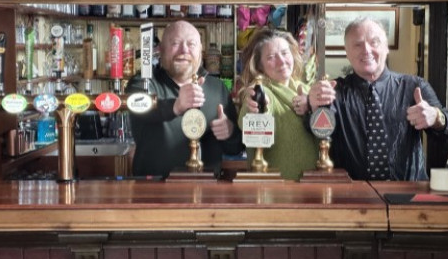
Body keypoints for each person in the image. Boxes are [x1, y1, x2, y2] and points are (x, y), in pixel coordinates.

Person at [308, 16, 448, 181]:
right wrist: (312, 105)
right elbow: (319, 134)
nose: (366, 50)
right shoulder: (334, 91)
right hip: (353, 194)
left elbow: (447, 131)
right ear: (347, 52)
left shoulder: (414, 86)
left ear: (386, 48)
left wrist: (436, 117)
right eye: (358, 45)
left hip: (408, 193)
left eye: (374, 42)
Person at [128, 20, 242, 176]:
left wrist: (229, 133)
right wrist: (175, 106)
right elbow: (138, 104)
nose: (184, 50)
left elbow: (235, 148)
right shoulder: (144, 82)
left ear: (201, 50)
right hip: (154, 191)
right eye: (175, 43)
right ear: (161, 50)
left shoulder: (217, 88)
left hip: (206, 191)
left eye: (191, 44)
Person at [237, 28, 318, 180]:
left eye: (285, 53)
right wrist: (256, 105)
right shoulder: (262, 90)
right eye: (271, 57)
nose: (281, 61)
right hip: (276, 192)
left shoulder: (306, 90)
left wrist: (313, 106)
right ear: (259, 66)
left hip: (312, 190)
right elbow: (247, 117)